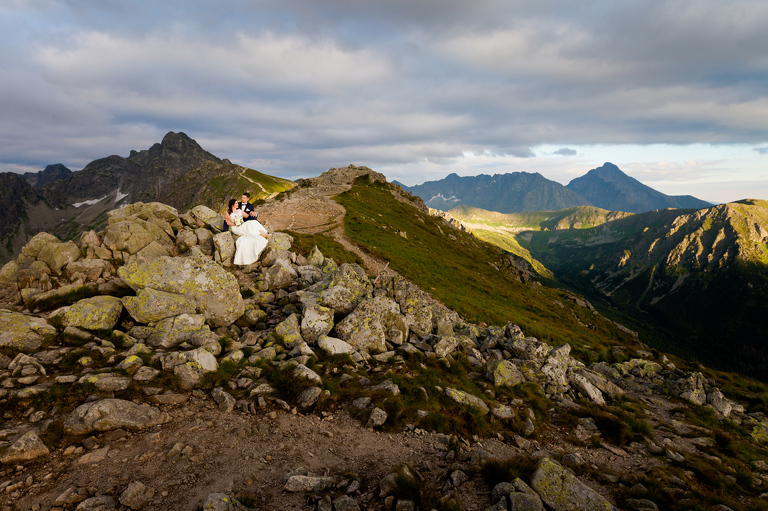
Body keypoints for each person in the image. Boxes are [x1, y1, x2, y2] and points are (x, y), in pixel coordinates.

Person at [223, 199, 270, 265]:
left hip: (242, 225)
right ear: (232, 205)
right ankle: (260, 233)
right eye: (236, 203)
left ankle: (263, 233)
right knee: (248, 224)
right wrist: (237, 224)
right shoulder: (228, 213)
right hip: (236, 228)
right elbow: (228, 223)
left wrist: (253, 214)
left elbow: (247, 216)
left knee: (253, 221)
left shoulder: (240, 211)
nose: (238, 204)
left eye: (237, 203)